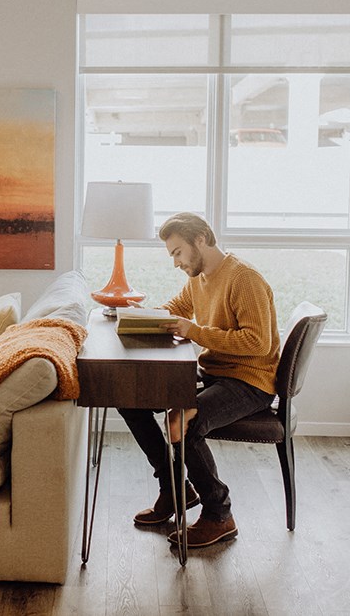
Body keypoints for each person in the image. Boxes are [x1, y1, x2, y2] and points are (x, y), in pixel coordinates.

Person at [117, 212, 281, 548]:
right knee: (129, 398)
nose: (176, 262)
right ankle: (174, 488)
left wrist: (197, 332)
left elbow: (257, 342)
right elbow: (177, 307)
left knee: (182, 420)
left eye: (177, 252)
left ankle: (219, 514)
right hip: (215, 373)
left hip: (250, 381)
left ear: (201, 239)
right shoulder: (200, 277)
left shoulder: (243, 278)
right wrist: (138, 317)